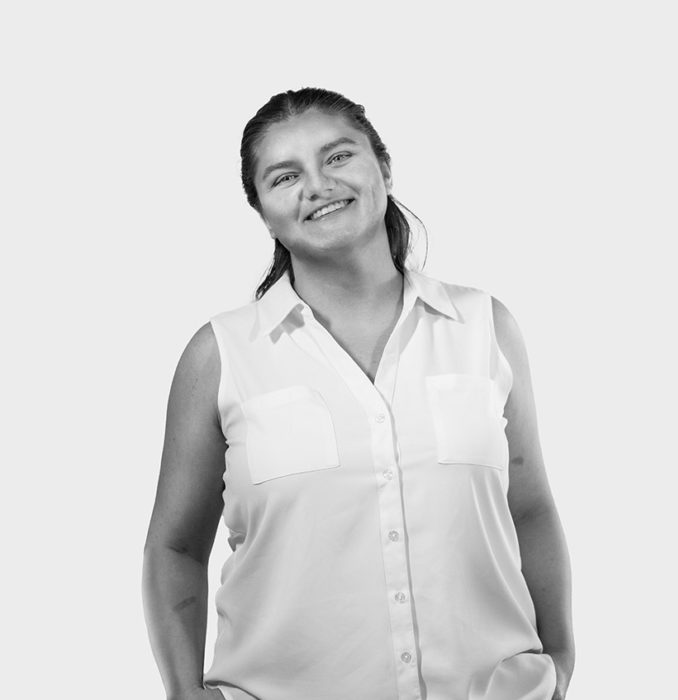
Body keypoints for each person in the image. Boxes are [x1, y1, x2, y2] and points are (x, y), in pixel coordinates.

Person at [142, 87, 575, 700]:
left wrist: (560, 659)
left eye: (338, 157)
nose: (317, 186)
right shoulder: (221, 355)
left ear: (384, 169)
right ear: (262, 212)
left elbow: (529, 509)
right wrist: (183, 692)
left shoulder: (485, 328)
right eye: (285, 176)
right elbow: (176, 546)